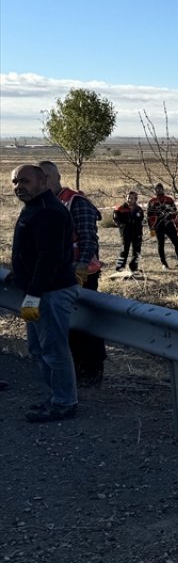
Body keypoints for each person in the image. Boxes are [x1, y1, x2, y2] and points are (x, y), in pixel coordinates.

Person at [9, 164, 80, 422]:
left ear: (42, 181)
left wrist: (34, 294)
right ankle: (55, 397)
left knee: (53, 350)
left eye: (25, 181)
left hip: (51, 293)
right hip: (40, 291)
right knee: (39, 349)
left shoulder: (49, 212)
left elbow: (49, 259)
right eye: (15, 182)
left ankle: (64, 403)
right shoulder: (36, 208)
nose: (19, 187)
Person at [38, 161, 107, 387]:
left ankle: (92, 369)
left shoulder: (76, 202)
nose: (44, 181)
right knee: (67, 327)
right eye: (40, 178)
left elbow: (88, 238)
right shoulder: (45, 204)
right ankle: (77, 369)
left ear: (57, 177)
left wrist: (81, 267)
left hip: (82, 275)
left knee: (84, 326)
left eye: (47, 176)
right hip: (58, 277)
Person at [146, 183, 178, 269]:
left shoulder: (169, 200)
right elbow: (149, 216)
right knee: (161, 245)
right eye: (157, 189)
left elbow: (175, 213)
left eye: (160, 189)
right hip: (158, 226)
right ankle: (164, 263)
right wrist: (151, 229)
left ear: (163, 190)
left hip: (169, 224)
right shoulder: (152, 202)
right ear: (155, 191)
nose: (159, 191)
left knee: (176, 243)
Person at [113, 190, 145, 272]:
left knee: (137, 251)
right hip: (125, 232)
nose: (129, 200)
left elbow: (141, 219)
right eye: (128, 198)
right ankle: (120, 267)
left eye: (131, 198)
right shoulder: (120, 208)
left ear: (135, 199)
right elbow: (116, 219)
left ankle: (134, 267)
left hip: (137, 233)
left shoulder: (139, 209)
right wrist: (123, 226)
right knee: (124, 250)